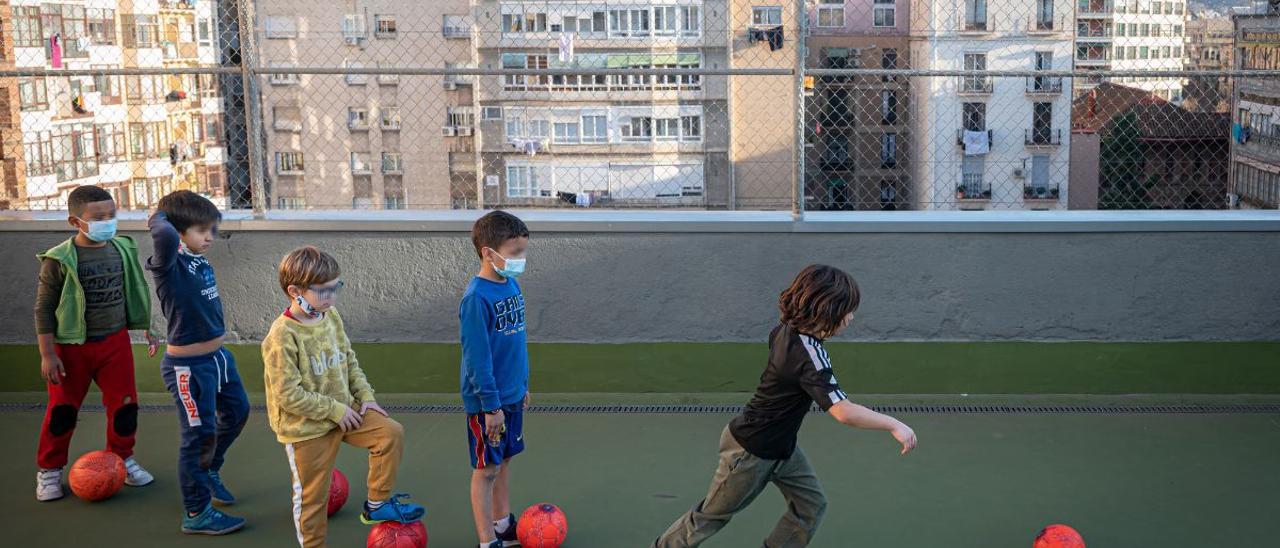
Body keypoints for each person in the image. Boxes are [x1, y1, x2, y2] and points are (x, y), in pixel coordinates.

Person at [653, 264, 919, 548]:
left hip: (783, 448)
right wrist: (895, 424)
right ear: (827, 310)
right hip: (750, 451)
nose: (852, 317)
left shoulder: (784, 330)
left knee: (810, 507)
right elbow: (843, 411)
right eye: (848, 310)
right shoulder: (808, 355)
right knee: (709, 517)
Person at [262, 246, 424, 548]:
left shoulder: (330, 315)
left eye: (336, 288)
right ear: (294, 291)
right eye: (324, 291)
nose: (331, 297)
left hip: (345, 410)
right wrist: (334, 410)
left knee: (390, 433)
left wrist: (366, 397)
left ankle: (376, 504)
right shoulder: (282, 335)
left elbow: (348, 360)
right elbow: (287, 395)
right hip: (306, 427)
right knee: (312, 499)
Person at [34, 185, 157, 502]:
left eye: (112, 214)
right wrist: (48, 354)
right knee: (62, 412)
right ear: (75, 221)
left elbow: (134, 291)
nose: (107, 221)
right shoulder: (59, 260)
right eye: (98, 216)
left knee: (125, 407)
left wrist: (146, 328)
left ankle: (122, 459)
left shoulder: (121, 248)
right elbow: (44, 309)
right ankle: (49, 470)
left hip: (114, 344)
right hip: (71, 348)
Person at [460, 211, 532, 548]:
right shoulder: (476, 299)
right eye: (514, 252)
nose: (520, 259)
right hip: (489, 404)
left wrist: (522, 386)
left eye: (522, 251)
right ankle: (488, 540)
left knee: (503, 460)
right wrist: (491, 406)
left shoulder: (511, 284)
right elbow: (478, 359)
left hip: (512, 396)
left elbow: (515, 343)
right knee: (486, 469)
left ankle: (503, 524)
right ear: (489, 253)